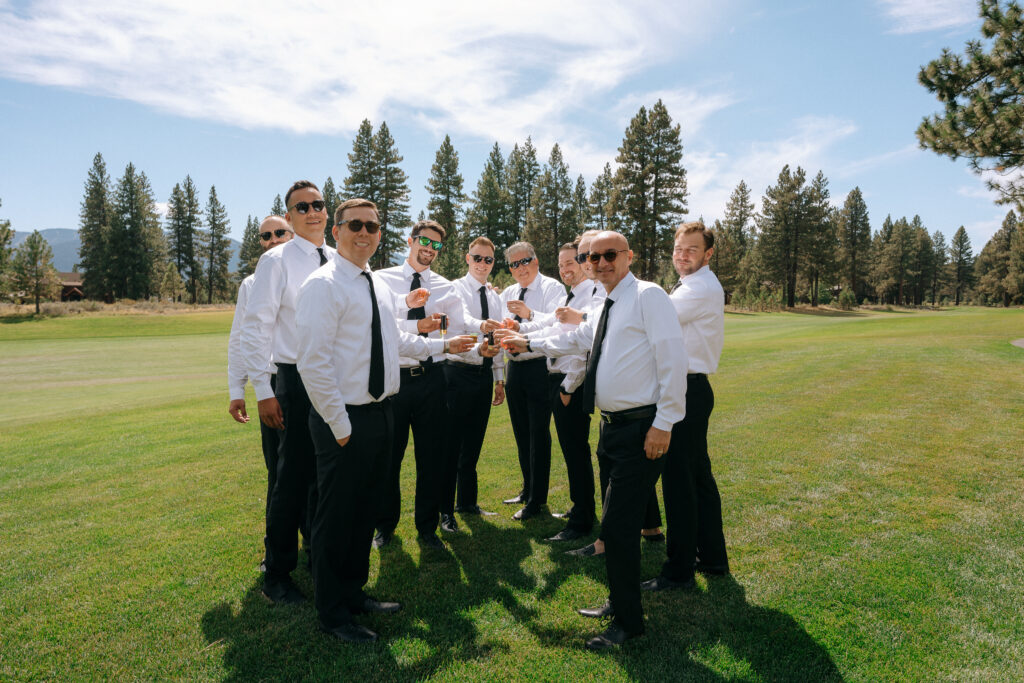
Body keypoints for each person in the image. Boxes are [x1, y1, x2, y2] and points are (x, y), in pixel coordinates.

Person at [296, 198, 477, 643]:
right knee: (336, 517)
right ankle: (333, 613)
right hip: (345, 420)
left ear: (381, 234)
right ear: (336, 231)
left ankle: (355, 593)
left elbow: (393, 339)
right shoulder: (324, 285)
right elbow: (313, 364)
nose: (364, 233)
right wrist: (340, 426)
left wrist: (442, 347)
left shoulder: (374, 285)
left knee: (363, 513)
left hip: (380, 413)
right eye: (355, 225)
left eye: (372, 226)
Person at [497, 230, 687, 650]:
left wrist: (665, 423)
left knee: (618, 528)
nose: (598, 262)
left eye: (608, 255)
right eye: (590, 256)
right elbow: (576, 339)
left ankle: (628, 623)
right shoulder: (607, 302)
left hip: (641, 428)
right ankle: (621, 602)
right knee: (615, 524)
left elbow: (673, 358)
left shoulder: (648, 296)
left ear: (629, 255)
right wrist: (527, 340)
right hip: (614, 426)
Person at [242, 180, 338, 605]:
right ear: (291, 215)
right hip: (295, 381)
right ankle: (277, 574)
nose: (312, 212)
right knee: (291, 479)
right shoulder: (276, 262)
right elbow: (255, 326)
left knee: (327, 478)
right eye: (302, 207)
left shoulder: (339, 260)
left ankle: (321, 559)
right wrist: (263, 389)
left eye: (318, 204)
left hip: (335, 380)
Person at [374, 220, 472, 549]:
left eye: (436, 245)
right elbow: (380, 326)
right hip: (396, 381)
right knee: (389, 457)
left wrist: (449, 329)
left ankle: (427, 529)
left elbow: (457, 330)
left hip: (433, 379)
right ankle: (385, 526)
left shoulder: (446, 287)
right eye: (424, 241)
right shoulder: (382, 280)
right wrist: (418, 325)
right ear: (411, 240)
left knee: (432, 458)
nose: (429, 248)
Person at [643, 221, 729, 592]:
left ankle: (678, 572)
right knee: (697, 478)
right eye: (678, 249)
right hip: (694, 389)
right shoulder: (692, 285)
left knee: (680, 483)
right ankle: (711, 558)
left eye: (691, 250)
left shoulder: (700, 287)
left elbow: (651, 317)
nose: (682, 256)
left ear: (708, 254)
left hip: (687, 391)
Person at [516, 241, 596, 542]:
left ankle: (582, 518)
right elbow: (553, 326)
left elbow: (581, 345)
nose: (565, 269)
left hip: (569, 383)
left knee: (576, 451)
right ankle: (581, 508)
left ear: (583, 262)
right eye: (561, 264)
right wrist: (521, 332)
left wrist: (567, 386)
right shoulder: (573, 294)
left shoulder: (589, 295)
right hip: (561, 380)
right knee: (572, 449)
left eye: (571, 262)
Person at [227, 216, 293, 571]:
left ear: (292, 234)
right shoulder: (251, 284)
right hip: (273, 387)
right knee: (279, 475)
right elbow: (240, 337)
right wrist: (238, 389)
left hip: (313, 383)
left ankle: (316, 549)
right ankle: (277, 555)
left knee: (314, 473)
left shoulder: (313, 274)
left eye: (279, 233)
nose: (272, 239)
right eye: (265, 235)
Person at [495, 241, 566, 521]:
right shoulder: (509, 292)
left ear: (535, 261)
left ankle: (538, 499)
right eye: (514, 264)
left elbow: (555, 324)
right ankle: (527, 489)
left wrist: (524, 323)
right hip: (515, 368)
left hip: (540, 367)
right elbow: (502, 328)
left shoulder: (552, 288)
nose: (520, 268)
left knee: (538, 433)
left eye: (524, 261)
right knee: (521, 432)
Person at [442, 236, 505, 519]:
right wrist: (480, 327)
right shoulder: (454, 288)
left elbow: (499, 339)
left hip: (482, 376)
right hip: (455, 374)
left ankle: (467, 503)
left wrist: (499, 378)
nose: (482, 264)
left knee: (474, 442)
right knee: (450, 444)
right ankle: (444, 511)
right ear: (468, 259)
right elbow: (462, 319)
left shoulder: (494, 296)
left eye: (488, 260)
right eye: (477, 258)